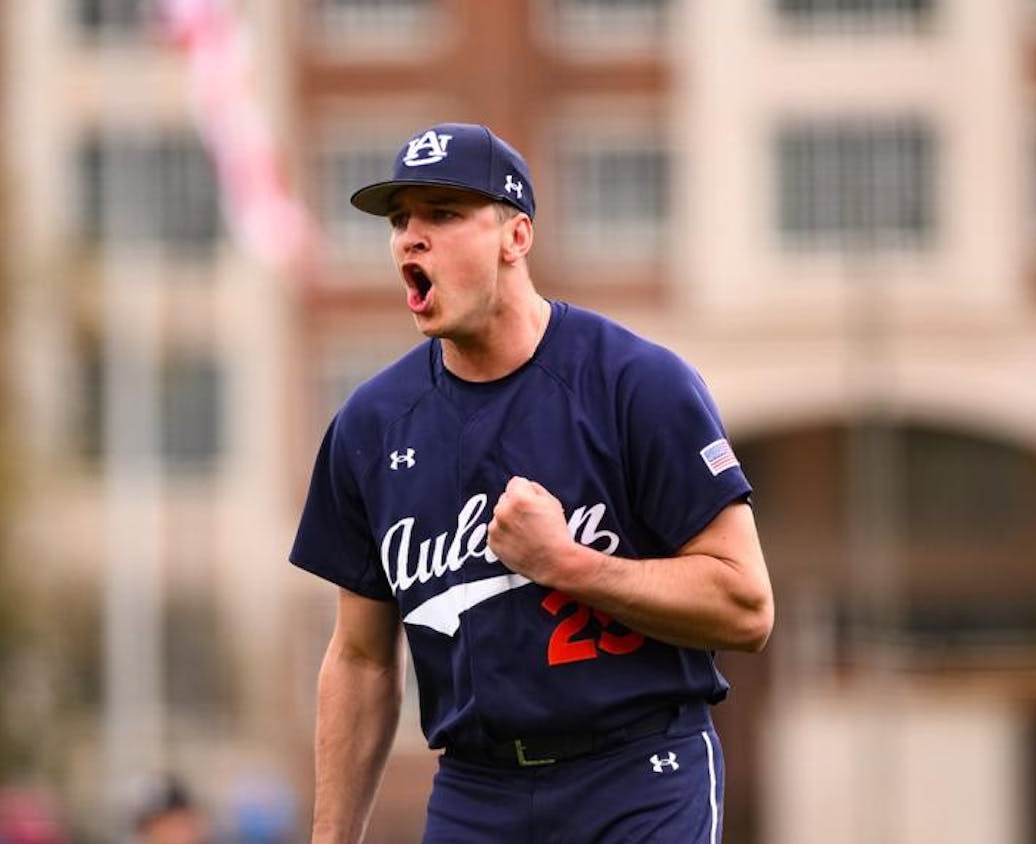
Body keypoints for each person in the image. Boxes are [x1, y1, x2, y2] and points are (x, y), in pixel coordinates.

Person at [290, 122, 774, 843]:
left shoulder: (637, 384)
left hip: (639, 774)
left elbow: (746, 607)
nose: (410, 239)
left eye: (444, 215)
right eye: (400, 221)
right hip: (475, 791)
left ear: (516, 236)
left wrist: (565, 563)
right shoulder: (371, 425)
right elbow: (360, 658)